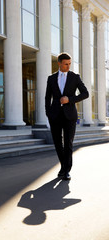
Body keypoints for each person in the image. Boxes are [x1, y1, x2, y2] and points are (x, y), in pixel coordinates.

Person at [45, 52, 89, 180]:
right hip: (55, 116)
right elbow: (48, 97)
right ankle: (64, 167)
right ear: (59, 63)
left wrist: (69, 99)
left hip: (70, 116)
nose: (68, 66)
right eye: (66, 64)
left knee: (68, 143)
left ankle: (66, 170)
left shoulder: (75, 77)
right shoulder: (51, 78)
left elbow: (85, 93)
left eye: (70, 64)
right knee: (58, 143)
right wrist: (48, 113)